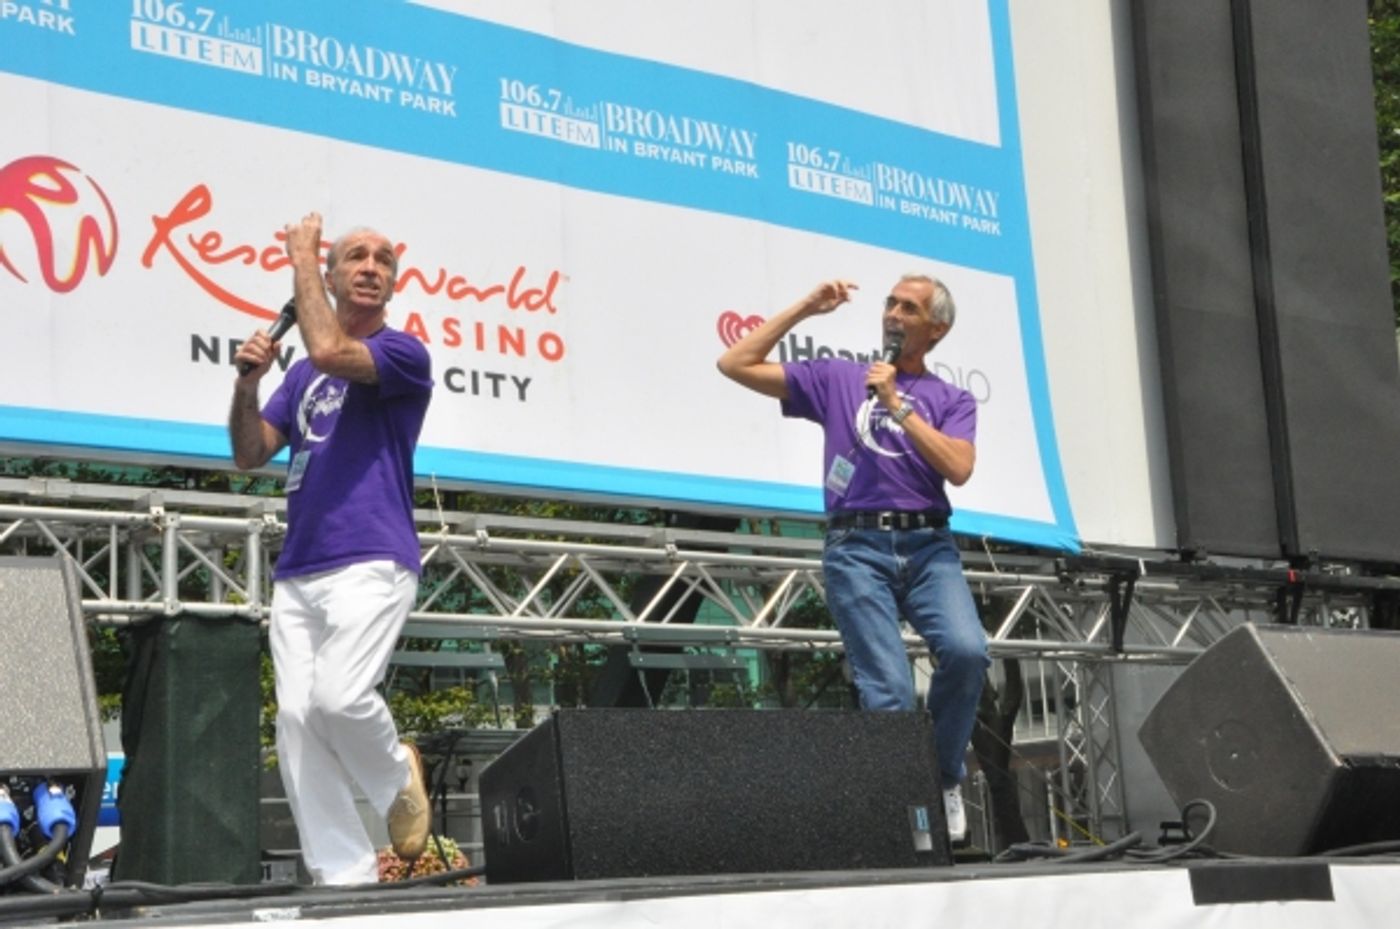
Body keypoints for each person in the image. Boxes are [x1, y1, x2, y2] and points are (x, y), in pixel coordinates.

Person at [716, 275, 989, 842]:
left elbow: (958, 468)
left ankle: (941, 777)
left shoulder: (950, 399)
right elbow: (734, 365)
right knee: (888, 690)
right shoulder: (840, 377)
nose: (892, 313)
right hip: (856, 546)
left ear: (935, 329)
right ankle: (905, 823)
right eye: (890, 303)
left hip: (928, 544)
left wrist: (897, 404)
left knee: (967, 652)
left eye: (908, 308)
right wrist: (805, 307)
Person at [229, 213, 434, 885]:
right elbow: (249, 453)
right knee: (296, 719)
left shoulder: (404, 354)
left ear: (391, 284)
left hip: (373, 554)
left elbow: (326, 350)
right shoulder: (303, 378)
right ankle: (345, 876)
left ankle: (394, 772)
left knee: (341, 697)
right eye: (355, 257)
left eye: (382, 259)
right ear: (339, 276)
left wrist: (302, 263)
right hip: (299, 569)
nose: (370, 265)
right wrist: (247, 381)